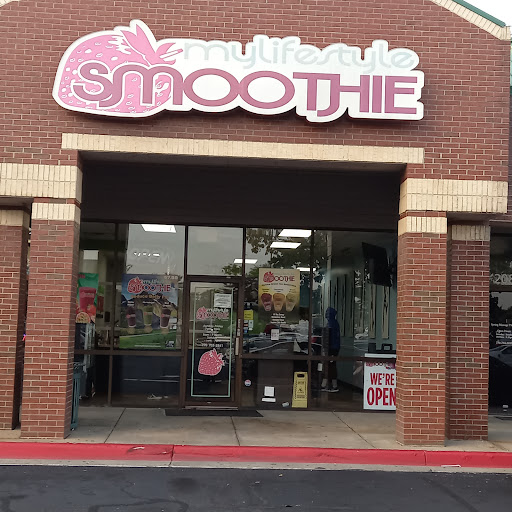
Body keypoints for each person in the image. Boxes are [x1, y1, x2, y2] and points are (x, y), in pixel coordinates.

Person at [321, 307, 340, 392]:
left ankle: (326, 385)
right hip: (334, 348)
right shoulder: (335, 323)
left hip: (331, 348)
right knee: (331, 366)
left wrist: (326, 349)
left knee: (328, 366)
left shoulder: (331, 324)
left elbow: (328, 338)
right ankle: (332, 385)